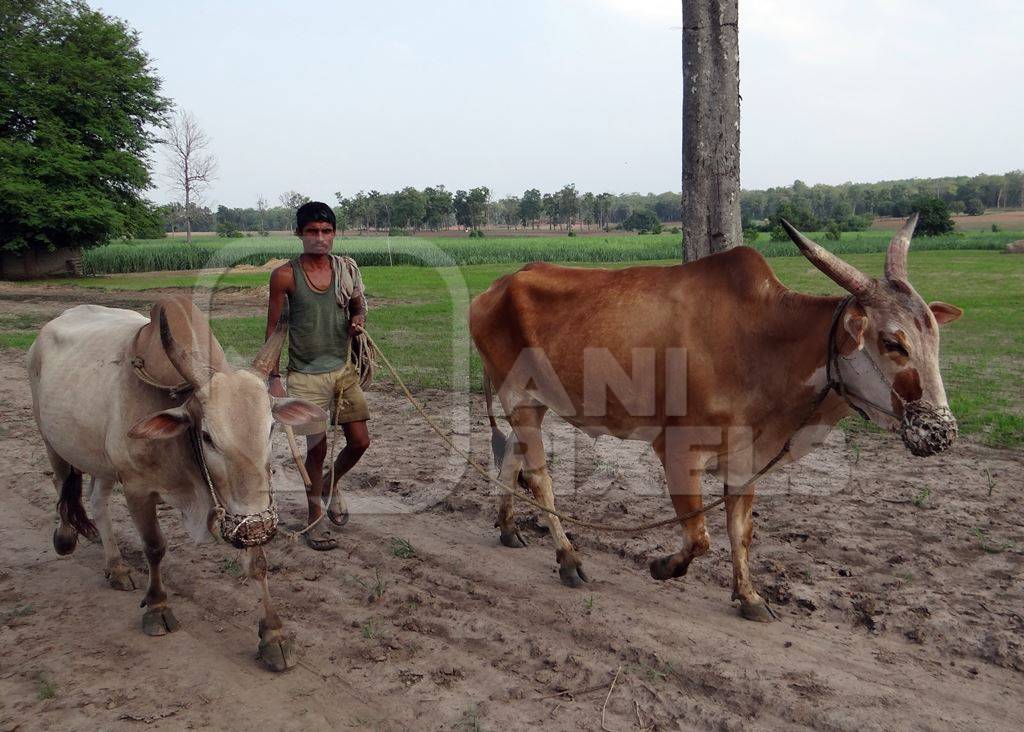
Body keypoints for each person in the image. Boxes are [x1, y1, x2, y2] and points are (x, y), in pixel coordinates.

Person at [266, 201, 370, 550]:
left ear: (334, 234)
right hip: (305, 378)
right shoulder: (284, 275)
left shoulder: (347, 269)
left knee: (359, 442)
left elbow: (357, 305)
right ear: (299, 234)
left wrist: (358, 322)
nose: (320, 238)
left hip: (343, 371)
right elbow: (274, 329)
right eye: (312, 231)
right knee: (316, 449)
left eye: (326, 231)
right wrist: (274, 376)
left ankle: (327, 484)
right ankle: (314, 517)